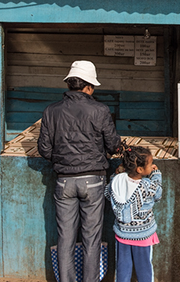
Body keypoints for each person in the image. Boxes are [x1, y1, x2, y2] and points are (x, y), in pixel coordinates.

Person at [38, 60, 122, 282]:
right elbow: (113, 146)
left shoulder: (51, 111)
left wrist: (63, 159)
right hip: (93, 181)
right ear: (88, 87)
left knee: (65, 237)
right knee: (91, 238)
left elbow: (44, 149)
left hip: (63, 181)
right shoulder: (100, 110)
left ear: (70, 83)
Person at [105, 146, 163, 282]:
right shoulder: (147, 186)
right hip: (142, 236)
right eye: (150, 164)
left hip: (122, 235)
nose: (152, 165)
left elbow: (107, 193)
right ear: (140, 169)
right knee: (145, 271)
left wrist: (116, 174)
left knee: (123, 271)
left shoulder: (116, 181)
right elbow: (158, 193)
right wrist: (156, 174)